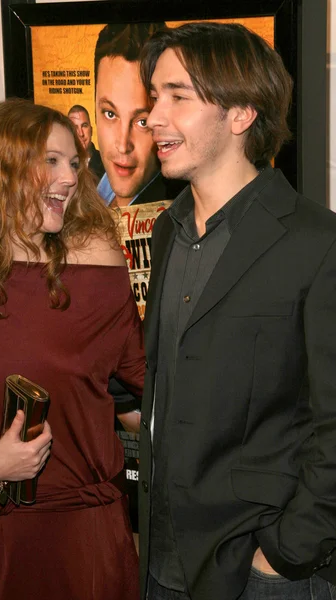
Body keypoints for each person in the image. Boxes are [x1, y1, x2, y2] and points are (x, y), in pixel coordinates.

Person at [137, 22, 336, 600]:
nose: (153, 116)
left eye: (178, 96)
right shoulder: (168, 230)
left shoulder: (315, 242)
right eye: (155, 96)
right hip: (161, 561)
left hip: (258, 572)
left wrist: (285, 552)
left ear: (242, 113)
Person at [0, 98, 144, 600]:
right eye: (51, 160)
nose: (70, 177)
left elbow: (146, 382)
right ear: (1, 168)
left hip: (86, 534)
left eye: (74, 162)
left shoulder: (97, 268)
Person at [94, 23, 185, 208]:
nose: (122, 145)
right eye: (110, 114)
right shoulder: (84, 186)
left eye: (142, 122)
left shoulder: (177, 214)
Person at [68, 103, 105, 180]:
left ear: (91, 130)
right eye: (75, 128)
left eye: (84, 126)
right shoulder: (62, 164)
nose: (81, 134)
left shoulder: (105, 163)